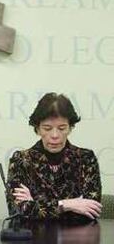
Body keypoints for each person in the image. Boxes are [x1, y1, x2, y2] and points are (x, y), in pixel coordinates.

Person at [6, 92, 102, 221]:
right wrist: (68, 204)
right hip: (34, 238)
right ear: (38, 129)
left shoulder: (86, 158)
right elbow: (17, 211)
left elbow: (91, 210)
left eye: (62, 128)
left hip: (76, 238)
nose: (55, 135)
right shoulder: (21, 160)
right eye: (47, 128)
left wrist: (35, 204)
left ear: (70, 128)